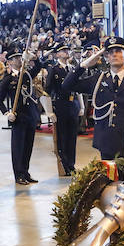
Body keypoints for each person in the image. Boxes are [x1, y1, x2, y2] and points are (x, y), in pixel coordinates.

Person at [64, 36, 124, 160]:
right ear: (106, 57)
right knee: (108, 177)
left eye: (119, 51)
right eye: (110, 53)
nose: (114, 55)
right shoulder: (98, 79)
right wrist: (83, 65)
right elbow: (67, 85)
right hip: (105, 139)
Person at [0, 47, 41, 185]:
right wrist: (7, 113)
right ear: (9, 62)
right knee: (18, 148)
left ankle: (25, 172)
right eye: (15, 58)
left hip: (30, 115)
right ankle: (19, 174)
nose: (18, 60)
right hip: (18, 117)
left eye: (19, 57)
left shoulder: (26, 75)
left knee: (28, 146)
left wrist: (32, 57)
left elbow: (39, 66)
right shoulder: (8, 79)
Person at [42, 42, 81, 176]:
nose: (66, 52)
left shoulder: (72, 68)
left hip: (73, 104)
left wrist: (80, 105)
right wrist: (49, 111)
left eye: (67, 50)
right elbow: (46, 91)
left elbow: (77, 88)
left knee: (72, 137)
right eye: (63, 50)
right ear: (58, 54)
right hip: (61, 105)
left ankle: (71, 164)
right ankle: (64, 164)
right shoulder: (54, 69)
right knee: (63, 136)